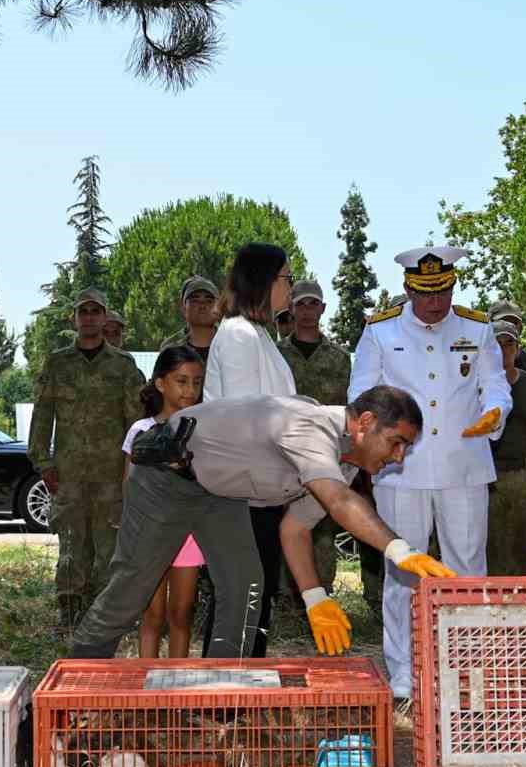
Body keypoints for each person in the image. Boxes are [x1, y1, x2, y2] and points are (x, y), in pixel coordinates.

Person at [71, 387, 456, 659]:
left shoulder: (342, 463)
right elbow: (340, 503)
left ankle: (220, 709)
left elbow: (295, 529)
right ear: (365, 422)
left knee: (247, 587)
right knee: (133, 587)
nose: (400, 457)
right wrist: (399, 550)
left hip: (221, 494)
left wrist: (315, 599)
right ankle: (70, 689)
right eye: (397, 442)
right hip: (167, 478)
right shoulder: (311, 426)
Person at [349, 246, 512, 703]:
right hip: (402, 469)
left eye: (442, 292)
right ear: (407, 289)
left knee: (467, 571)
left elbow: (494, 383)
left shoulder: (477, 328)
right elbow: (361, 393)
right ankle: (403, 677)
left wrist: (496, 411)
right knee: (402, 572)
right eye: (425, 294)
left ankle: (472, 674)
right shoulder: (381, 332)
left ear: (453, 286)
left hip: (464, 464)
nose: (435, 303)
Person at [27, 287, 146, 630]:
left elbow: (135, 422)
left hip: (111, 475)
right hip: (69, 474)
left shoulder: (122, 365)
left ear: (106, 317)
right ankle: (69, 615)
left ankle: (104, 617)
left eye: (97, 311)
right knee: (71, 548)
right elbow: (42, 414)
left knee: (110, 549)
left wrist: (133, 469)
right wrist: (42, 461)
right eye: (84, 311)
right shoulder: (58, 362)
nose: (90, 317)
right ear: (75, 318)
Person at [202, 242, 298, 655]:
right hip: (243, 489)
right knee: (241, 599)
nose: (291, 288)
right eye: (287, 278)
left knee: (254, 598)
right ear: (263, 280)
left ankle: (240, 694)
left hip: (261, 487)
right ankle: (219, 705)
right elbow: (244, 416)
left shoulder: (258, 333)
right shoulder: (240, 334)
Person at [124, 346, 206, 658]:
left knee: (181, 615)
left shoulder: (204, 430)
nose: (190, 390)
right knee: (152, 616)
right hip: (148, 535)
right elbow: (128, 485)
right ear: (160, 383)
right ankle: (148, 698)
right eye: (181, 381)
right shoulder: (141, 430)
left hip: (188, 536)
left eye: (196, 382)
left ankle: (177, 689)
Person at [277, 279, 354, 594]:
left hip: (326, 457)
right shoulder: (276, 354)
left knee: (321, 526)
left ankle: (320, 593)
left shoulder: (339, 358)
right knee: (282, 523)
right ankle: (283, 600)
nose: (307, 311)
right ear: (290, 309)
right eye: (300, 304)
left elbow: (350, 410)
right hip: (283, 454)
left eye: (313, 304)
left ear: (323, 308)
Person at [485, 319, 526, 577]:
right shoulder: (473, 386)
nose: (503, 350)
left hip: (524, 477)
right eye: (496, 344)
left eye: (509, 343)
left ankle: (521, 608)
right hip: (485, 479)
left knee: (523, 546)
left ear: (518, 348)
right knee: (488, 545)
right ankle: (489, 612)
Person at [487, 300, 526, 387]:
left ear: (521, 327)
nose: (509, 326)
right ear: (488, 325)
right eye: (502, 321)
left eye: (514, 323)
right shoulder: (476, 363)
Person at [160, 275, 220, 363]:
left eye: (209, 301)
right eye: (195, 301)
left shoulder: (232, 343)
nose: (202, 305)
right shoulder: (170, 348)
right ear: (183, 307)